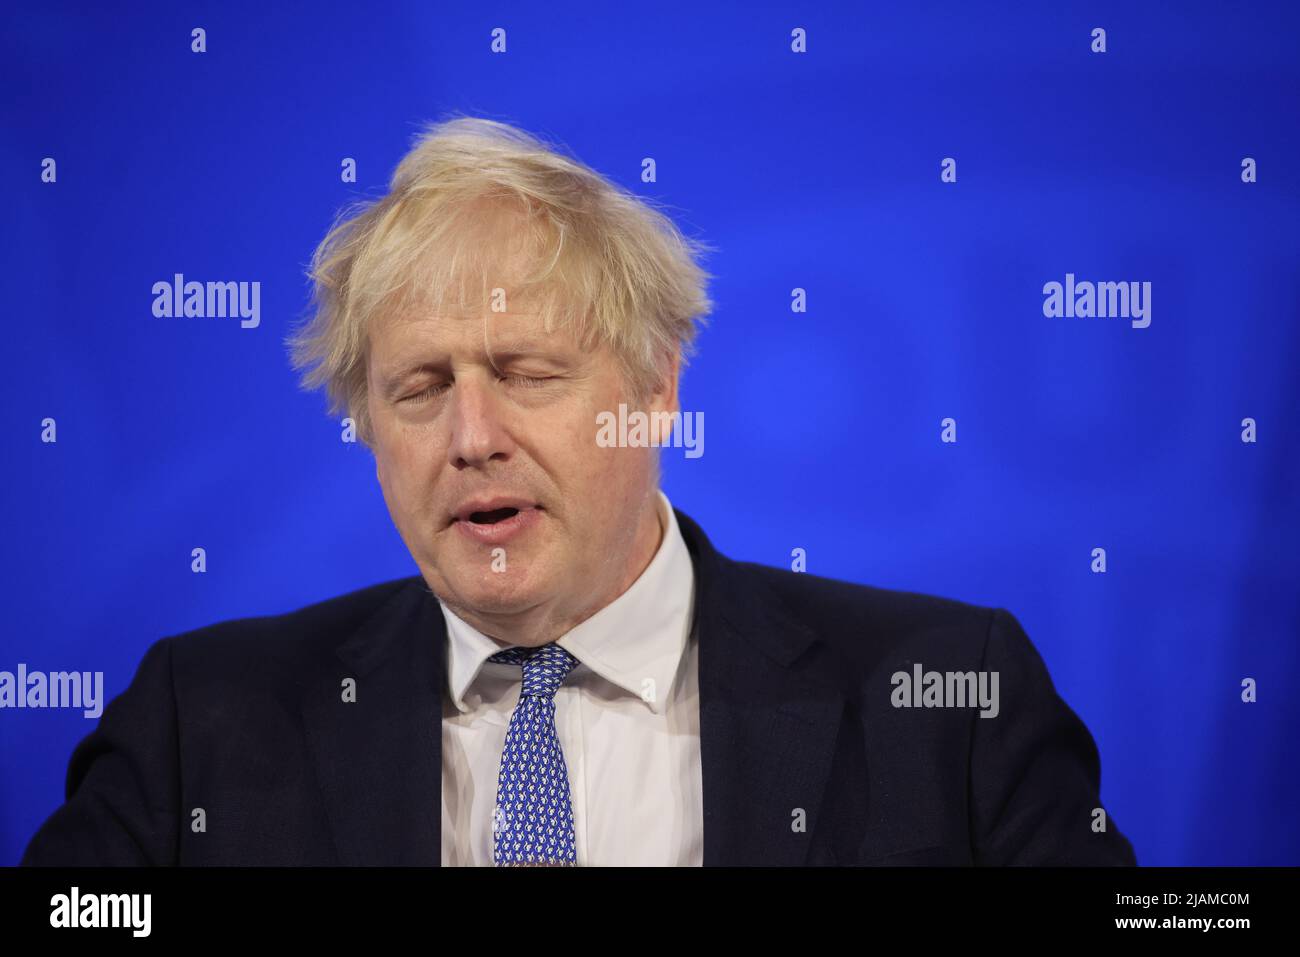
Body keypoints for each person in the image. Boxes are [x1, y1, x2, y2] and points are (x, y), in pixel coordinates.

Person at [22, 116, 1136, 866]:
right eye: (418, 389)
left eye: (523, 374)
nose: (471, 437)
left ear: (654, 389)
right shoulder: (201, 723)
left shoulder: (947, 702)